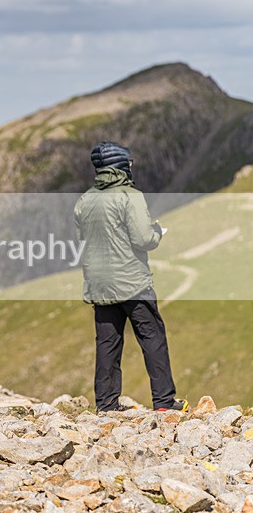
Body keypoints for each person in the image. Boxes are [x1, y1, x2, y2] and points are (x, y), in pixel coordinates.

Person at [74, 141, 186, 413]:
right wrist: (157, 231)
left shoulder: (85, 200)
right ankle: (163, 402)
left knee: (107, 344)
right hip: (132, 283)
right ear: (121, 165)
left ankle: (106, 405)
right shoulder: (130, 195)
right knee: (152, 338)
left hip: (100, 285)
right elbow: (143, 239)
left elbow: (83, 240)